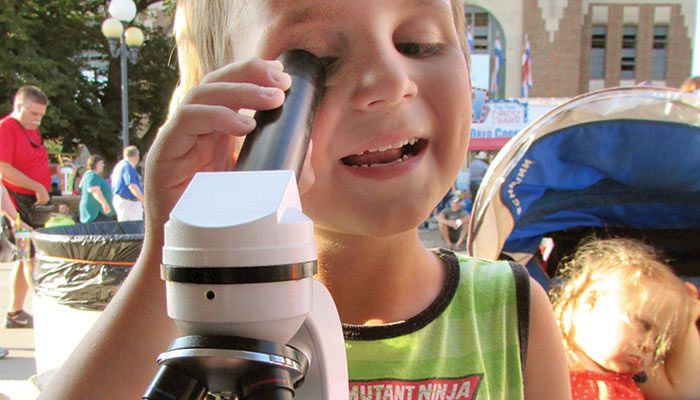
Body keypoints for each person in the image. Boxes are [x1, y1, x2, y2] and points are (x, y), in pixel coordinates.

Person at [42, 1, 571, 398]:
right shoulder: (200, 335)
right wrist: (184, 251)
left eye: (419, 43)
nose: (390, 82)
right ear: (220, 96)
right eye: (313, 59)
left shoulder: (514, 314)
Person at [549, 237, 700, 400]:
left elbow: (687, 394)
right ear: (592, 301)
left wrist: (688, 322)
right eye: (644, 325)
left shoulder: (631, 377)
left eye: (658, 341)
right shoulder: (549, 355)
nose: (649, 346)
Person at [0, 85, 51, 228]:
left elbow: (31, 163)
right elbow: (3, 169)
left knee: (36, 249)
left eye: (41, 115)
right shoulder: (6, 128)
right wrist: (38, 187)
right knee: (21, 250)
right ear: (19, 106)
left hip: (35, 205)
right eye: (34, 113)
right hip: (16, 207)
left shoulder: (32, 129)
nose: (38, 120)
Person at [110, 145, 145, 221]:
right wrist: (143, 201)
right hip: (129, 203)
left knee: (124, 227)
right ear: (136, 156)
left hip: (121, 200)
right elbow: (132, 186)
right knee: (133, 228)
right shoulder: (127, 167)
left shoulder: (119, 166)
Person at [78, 155, 114, 223]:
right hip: (95, 211)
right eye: (101, 163)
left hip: (96, 211)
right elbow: (94, 190)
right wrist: (104, 204)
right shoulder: (92, 176)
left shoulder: (89, 175)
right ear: (95, 164)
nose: (103, 165)